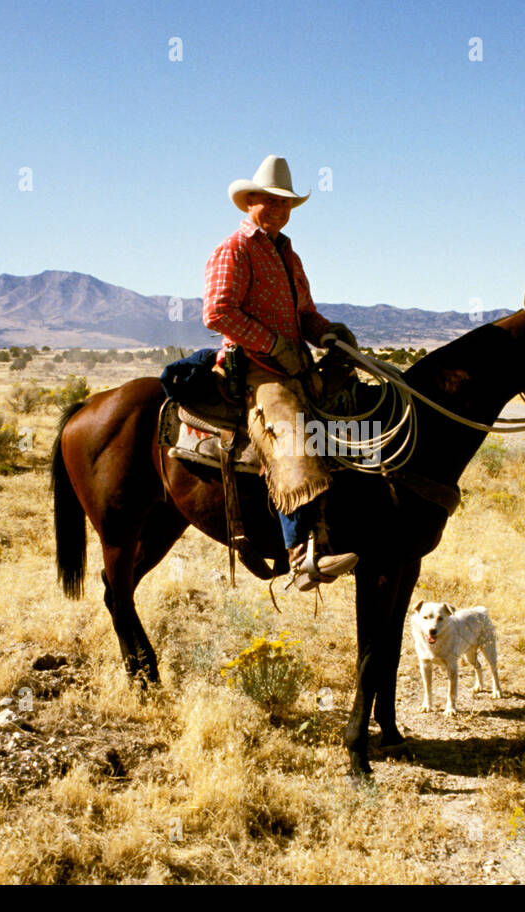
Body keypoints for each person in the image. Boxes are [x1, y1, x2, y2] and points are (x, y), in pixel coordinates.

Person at [203, 155, 359, 591]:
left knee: (352, 402)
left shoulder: (288, 253)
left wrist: (328, 333)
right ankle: (303, 555)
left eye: (285, 203)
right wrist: (273, 345)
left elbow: (304, 313)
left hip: (295, 364)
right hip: (255, 367)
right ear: (249, 202)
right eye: (269, 201)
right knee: (292, 432)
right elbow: (217, 312)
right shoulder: (233, 248)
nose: (278, 209)